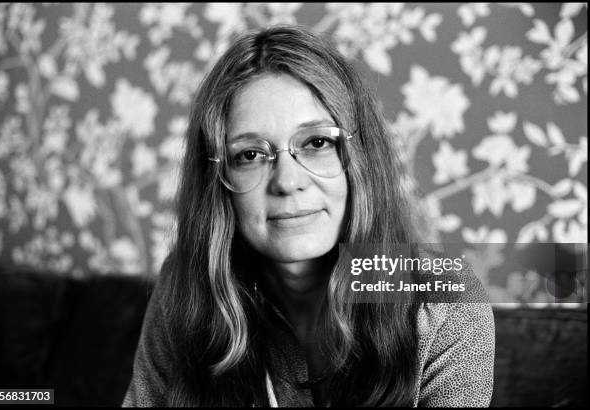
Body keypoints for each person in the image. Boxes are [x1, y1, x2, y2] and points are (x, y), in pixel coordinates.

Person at [122, 25, 494, 407]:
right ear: (219, 179)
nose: (287, 181)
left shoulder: (445, 302)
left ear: (360, 160)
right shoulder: (184, 287)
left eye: (317, 143)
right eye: (249, 155)